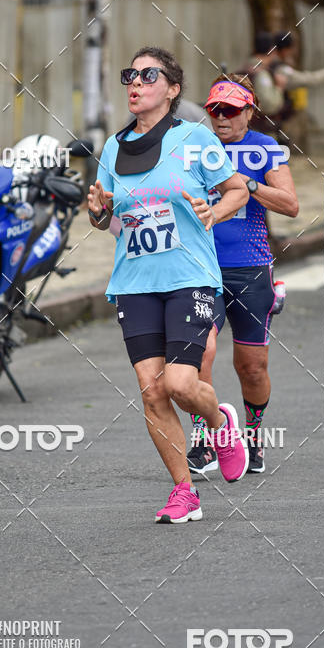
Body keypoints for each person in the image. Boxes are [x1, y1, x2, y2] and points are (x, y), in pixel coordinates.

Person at [87, 46, 249, 523]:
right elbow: (105, 214)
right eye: (129, 75)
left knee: (181, 383)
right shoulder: (114, 147)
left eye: (147, 75)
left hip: (189, 277)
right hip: (135, 280)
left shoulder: (196, 138)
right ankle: (185, 492)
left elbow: (236, 190)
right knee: (152, 391)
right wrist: (98, 212)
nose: (135, 83)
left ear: (172, 89)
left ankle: (220, 423)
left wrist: (211, 212)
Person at [186, 74, 299, 476]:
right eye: (214, 109)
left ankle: (252, 435)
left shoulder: (265, 148)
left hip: (251, 268)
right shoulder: (194, 146)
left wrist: (247, 183)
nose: (220, 118)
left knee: (251, 367)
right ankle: (205, 437)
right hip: (200, 266)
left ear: (249, 113)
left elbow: (290, 205)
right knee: (200, 353)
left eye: (230, 110)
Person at [271, 31, 324, 151]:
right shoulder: (282, 70)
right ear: (286, 49)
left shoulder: (260, 65)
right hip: (272, 126)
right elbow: (313, 78)